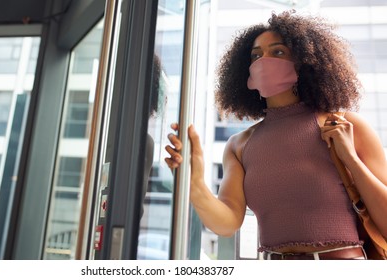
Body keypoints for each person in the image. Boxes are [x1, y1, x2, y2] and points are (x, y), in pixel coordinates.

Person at [165, 10, 387, 260]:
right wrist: (193, 184)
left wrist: (351, 160)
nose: (263, 61)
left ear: (305, 61)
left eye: (278, 51)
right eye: (256, 55)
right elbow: (227, 223)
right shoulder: (240, 145)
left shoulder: (346, 126)